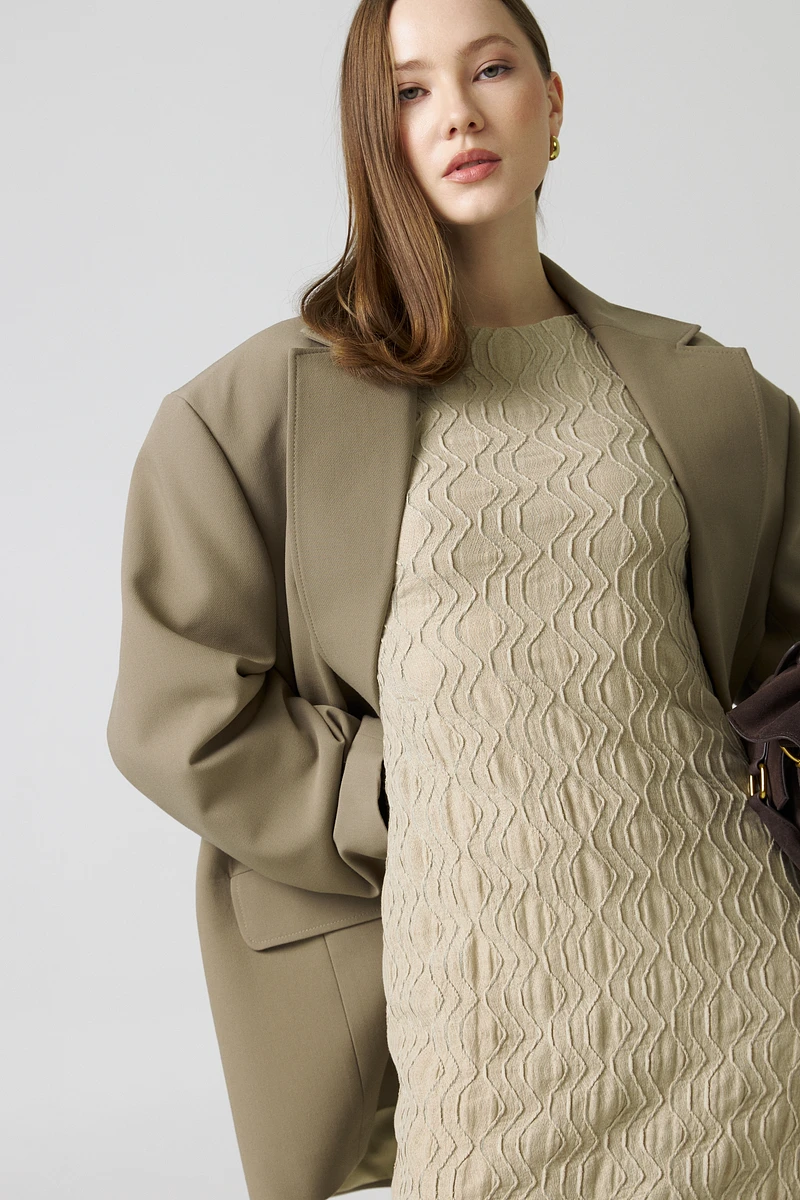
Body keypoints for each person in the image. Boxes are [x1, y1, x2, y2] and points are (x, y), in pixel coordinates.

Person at [106, 0, 800, 1197]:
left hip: (742, 987)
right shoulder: (251, 411)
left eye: (490, 69)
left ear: (552, 104)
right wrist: (392, 791)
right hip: (482, 1020)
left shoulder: (711, 394)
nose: (458, 114)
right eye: (409, 90)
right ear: (367, 132)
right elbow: (174, 715)